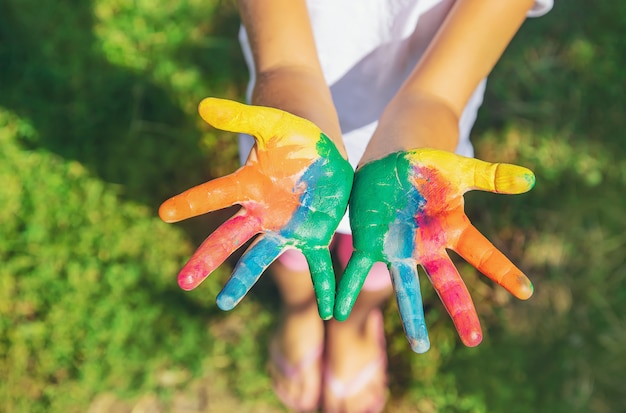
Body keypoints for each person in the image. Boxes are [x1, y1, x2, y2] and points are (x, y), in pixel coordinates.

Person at [233, 1, 553, 412]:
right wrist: (289, 98)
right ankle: (299, 306)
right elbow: (285, 62)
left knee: (386, 249)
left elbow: (436, 95)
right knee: (289, 227)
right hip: (288, 111)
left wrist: (417, 143)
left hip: (428, 114)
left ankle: (354, 321)